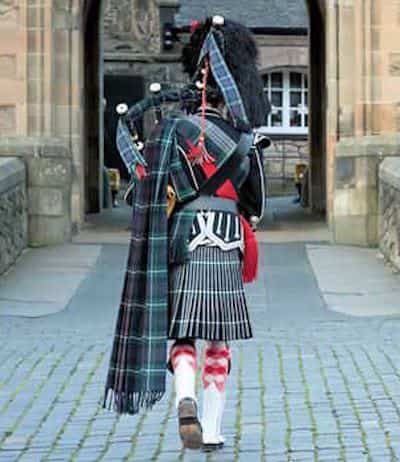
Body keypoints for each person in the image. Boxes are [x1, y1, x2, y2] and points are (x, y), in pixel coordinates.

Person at [103, 15, 270, 452]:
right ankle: (211, 430)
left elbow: (147, 188)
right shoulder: (241, 136)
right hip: (228, 240)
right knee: (219, 338)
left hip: (182, 239)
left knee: (183, 334)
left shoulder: (170, 130)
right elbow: (256, 203)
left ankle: (185, 397)